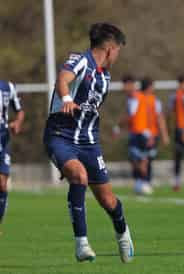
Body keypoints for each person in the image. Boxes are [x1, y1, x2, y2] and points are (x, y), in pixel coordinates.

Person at [43, 23, 134, 262]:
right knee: (79, 176)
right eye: (119, 51)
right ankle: (81, 244)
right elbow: (62, 79)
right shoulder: (80, 60)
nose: (118, 56)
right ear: (110, 49)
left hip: (89, 143)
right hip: (59, 136)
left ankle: (123, 233)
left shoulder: (105, 77)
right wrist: (65, 98)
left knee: (108, 200)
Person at [0, 80, 24, 233]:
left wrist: (18, 122)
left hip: (3, 139)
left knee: (2, 184)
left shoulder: (8, 87)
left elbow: (20, 111)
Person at [142, 77, 170, 189]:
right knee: (143, 158)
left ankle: (146, 181)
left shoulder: (154, 100)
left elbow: (159, 118)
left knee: (149, 158)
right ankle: (143, 181)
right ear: (149, 87)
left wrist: (164, 135)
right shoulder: (140, 99)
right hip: (145, 133)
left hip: (151, 133)